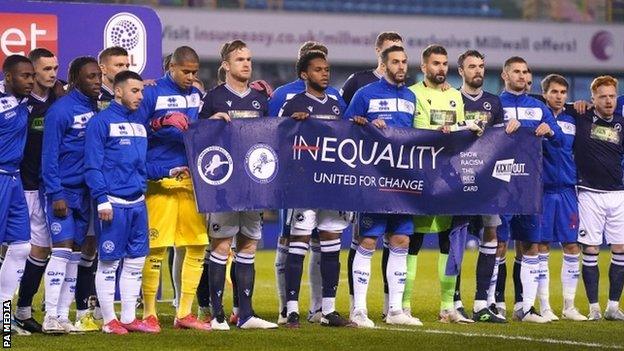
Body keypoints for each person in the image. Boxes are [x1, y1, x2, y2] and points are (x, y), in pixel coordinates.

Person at [198, 40, 277, 330]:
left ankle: (245, 314)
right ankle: (217, 315)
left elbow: (270, 140)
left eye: (249, 59)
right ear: (226, 65)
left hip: (253, 184)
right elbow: (199, 141)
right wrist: (210, 124)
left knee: (249, 245)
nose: (246, 64)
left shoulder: (260, 100)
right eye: (240, 59)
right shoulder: (213, 98)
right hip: (224, 187)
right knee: (220, 247)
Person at [345, 45, 421, 328]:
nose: (401, 66)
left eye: (404, 62)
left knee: (401, 240)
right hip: (373, 181)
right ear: (384, 64)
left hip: (403, 183)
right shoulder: (364, 94)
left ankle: (395, 310)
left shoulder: (412, 97)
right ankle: (360, 311)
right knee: (368, 241)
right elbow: (346, 128)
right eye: (396, 62)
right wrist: (363, 125)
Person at [278, 50, 352, 328]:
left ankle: (328, 311)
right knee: (299, 245)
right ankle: (292, 310)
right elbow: (279, 139)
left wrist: (355, 125)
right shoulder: (294, 104)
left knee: (332, 244)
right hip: (304, 185)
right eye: (318, 69)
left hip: (332, 186)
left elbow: (347, 142)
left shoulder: (336, 105)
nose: (325, 73)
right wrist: (290, 124)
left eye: (326, 69)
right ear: (304, 75)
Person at [138, 46, 209, 332]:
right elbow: (136, 127)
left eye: (194, 72)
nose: (191, 77)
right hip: (160, 182)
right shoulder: (151, 92)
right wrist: (160, 121)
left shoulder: (196, 95)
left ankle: (184, 313)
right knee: (156, 248)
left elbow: (201, 129)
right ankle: (150, 313)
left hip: (190, 181)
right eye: (186, 71)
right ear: (172, 67)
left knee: (196, 245)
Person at [85, 70, 157, 334]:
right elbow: (92, 166)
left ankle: (128, 318)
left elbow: (142, 165)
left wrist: (169, 170)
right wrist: (101, 199)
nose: (140, 96)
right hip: (113, 203)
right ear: (118, 91)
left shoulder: (139, 123)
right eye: (135, 91)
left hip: (138, 202)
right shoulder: (101, 123)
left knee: (136, 260)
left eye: (141, 91)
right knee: (109, 262)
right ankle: (108, 321)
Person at [407, 44, 473, 324]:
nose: (441, 68)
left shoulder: (456, 96)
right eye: (435, 63)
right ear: (424, 67)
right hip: (420, 178)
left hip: (448, 179)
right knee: (412, 242)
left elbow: (459, 135)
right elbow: (411, 134)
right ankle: (403, 305)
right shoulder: (413, 94)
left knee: (449, 241)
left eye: (444, 63)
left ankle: (447, 306)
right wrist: (437, 133)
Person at [456, 49, 518, 323]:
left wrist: (512, 127)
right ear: (461, 71)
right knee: (455, 238)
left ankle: (482, 302)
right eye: (472, 66)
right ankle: (454, 301)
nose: (478, 70)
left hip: (487, 182)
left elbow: (501, 142)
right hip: (456, 181)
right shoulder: (453, 99)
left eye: (481, 66)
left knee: (491, 234)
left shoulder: (494, 102)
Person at [499, 56, 562, 323]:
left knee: (530, 246)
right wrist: (501, 129)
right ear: (505, 75)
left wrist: (549, 130)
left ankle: (525, 307)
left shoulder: (538, 107)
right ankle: (495, 304)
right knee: (498, 244)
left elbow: (559, 140)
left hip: (530, 187)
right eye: (517, 71)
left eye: (526, 72)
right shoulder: (494, 103)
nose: (523, 76)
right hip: (499, 186)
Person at [41, 56, 102, 333]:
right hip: (63, 191)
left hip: (85, 193)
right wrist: (56, 193)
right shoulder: (60, 111)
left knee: (77, 256)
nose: (97, 81)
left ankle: (63, 317)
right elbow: (49, 156)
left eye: (99, 76)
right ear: (75, 79)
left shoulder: (97, 108)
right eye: (91, 76)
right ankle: (48, 315)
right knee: (63, 252)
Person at [12, 49, 64, 334]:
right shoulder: (20, 100)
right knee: (17, 249)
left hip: (45, 186)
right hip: (20, 184)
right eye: (45, 69)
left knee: (39, 250)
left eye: (55, 68)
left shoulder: (59, 97)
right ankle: (11, 313)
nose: (52, 74)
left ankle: (21, 309)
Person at [573, 76, 624, 321]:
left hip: (618, 194)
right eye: (602, 96)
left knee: (621, 249)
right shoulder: (580, 116)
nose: (608, 101)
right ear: (593, 98)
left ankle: (613, 307)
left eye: (612, 96)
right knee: (591, 249)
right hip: (589, 193)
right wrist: (577, 104)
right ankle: (594, 308)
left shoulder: (622, 124)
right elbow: (549, 101)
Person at [536, 74, 587, 321]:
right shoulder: (536, 115)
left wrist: (582, 105)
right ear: (544, 93)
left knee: (572, 245)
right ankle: (545, 306)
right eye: (554, 92)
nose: (559, 96)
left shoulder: (574, 117)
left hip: (567, 189)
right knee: (542, 246)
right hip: (543, 191)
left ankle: (569, 306)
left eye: (563, 92)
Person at [0, 54, 35, 335]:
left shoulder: (26, 102)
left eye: (32, 76)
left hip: (14, 180)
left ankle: (3, 315)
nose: (31, 81)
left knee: (22, 246)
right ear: (8, 77)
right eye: (25, 76)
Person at [340, 31, 404, 106]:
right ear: (378, 51)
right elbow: (338, 110)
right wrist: (354, 118)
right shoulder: (357, 80)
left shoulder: (405, 86)